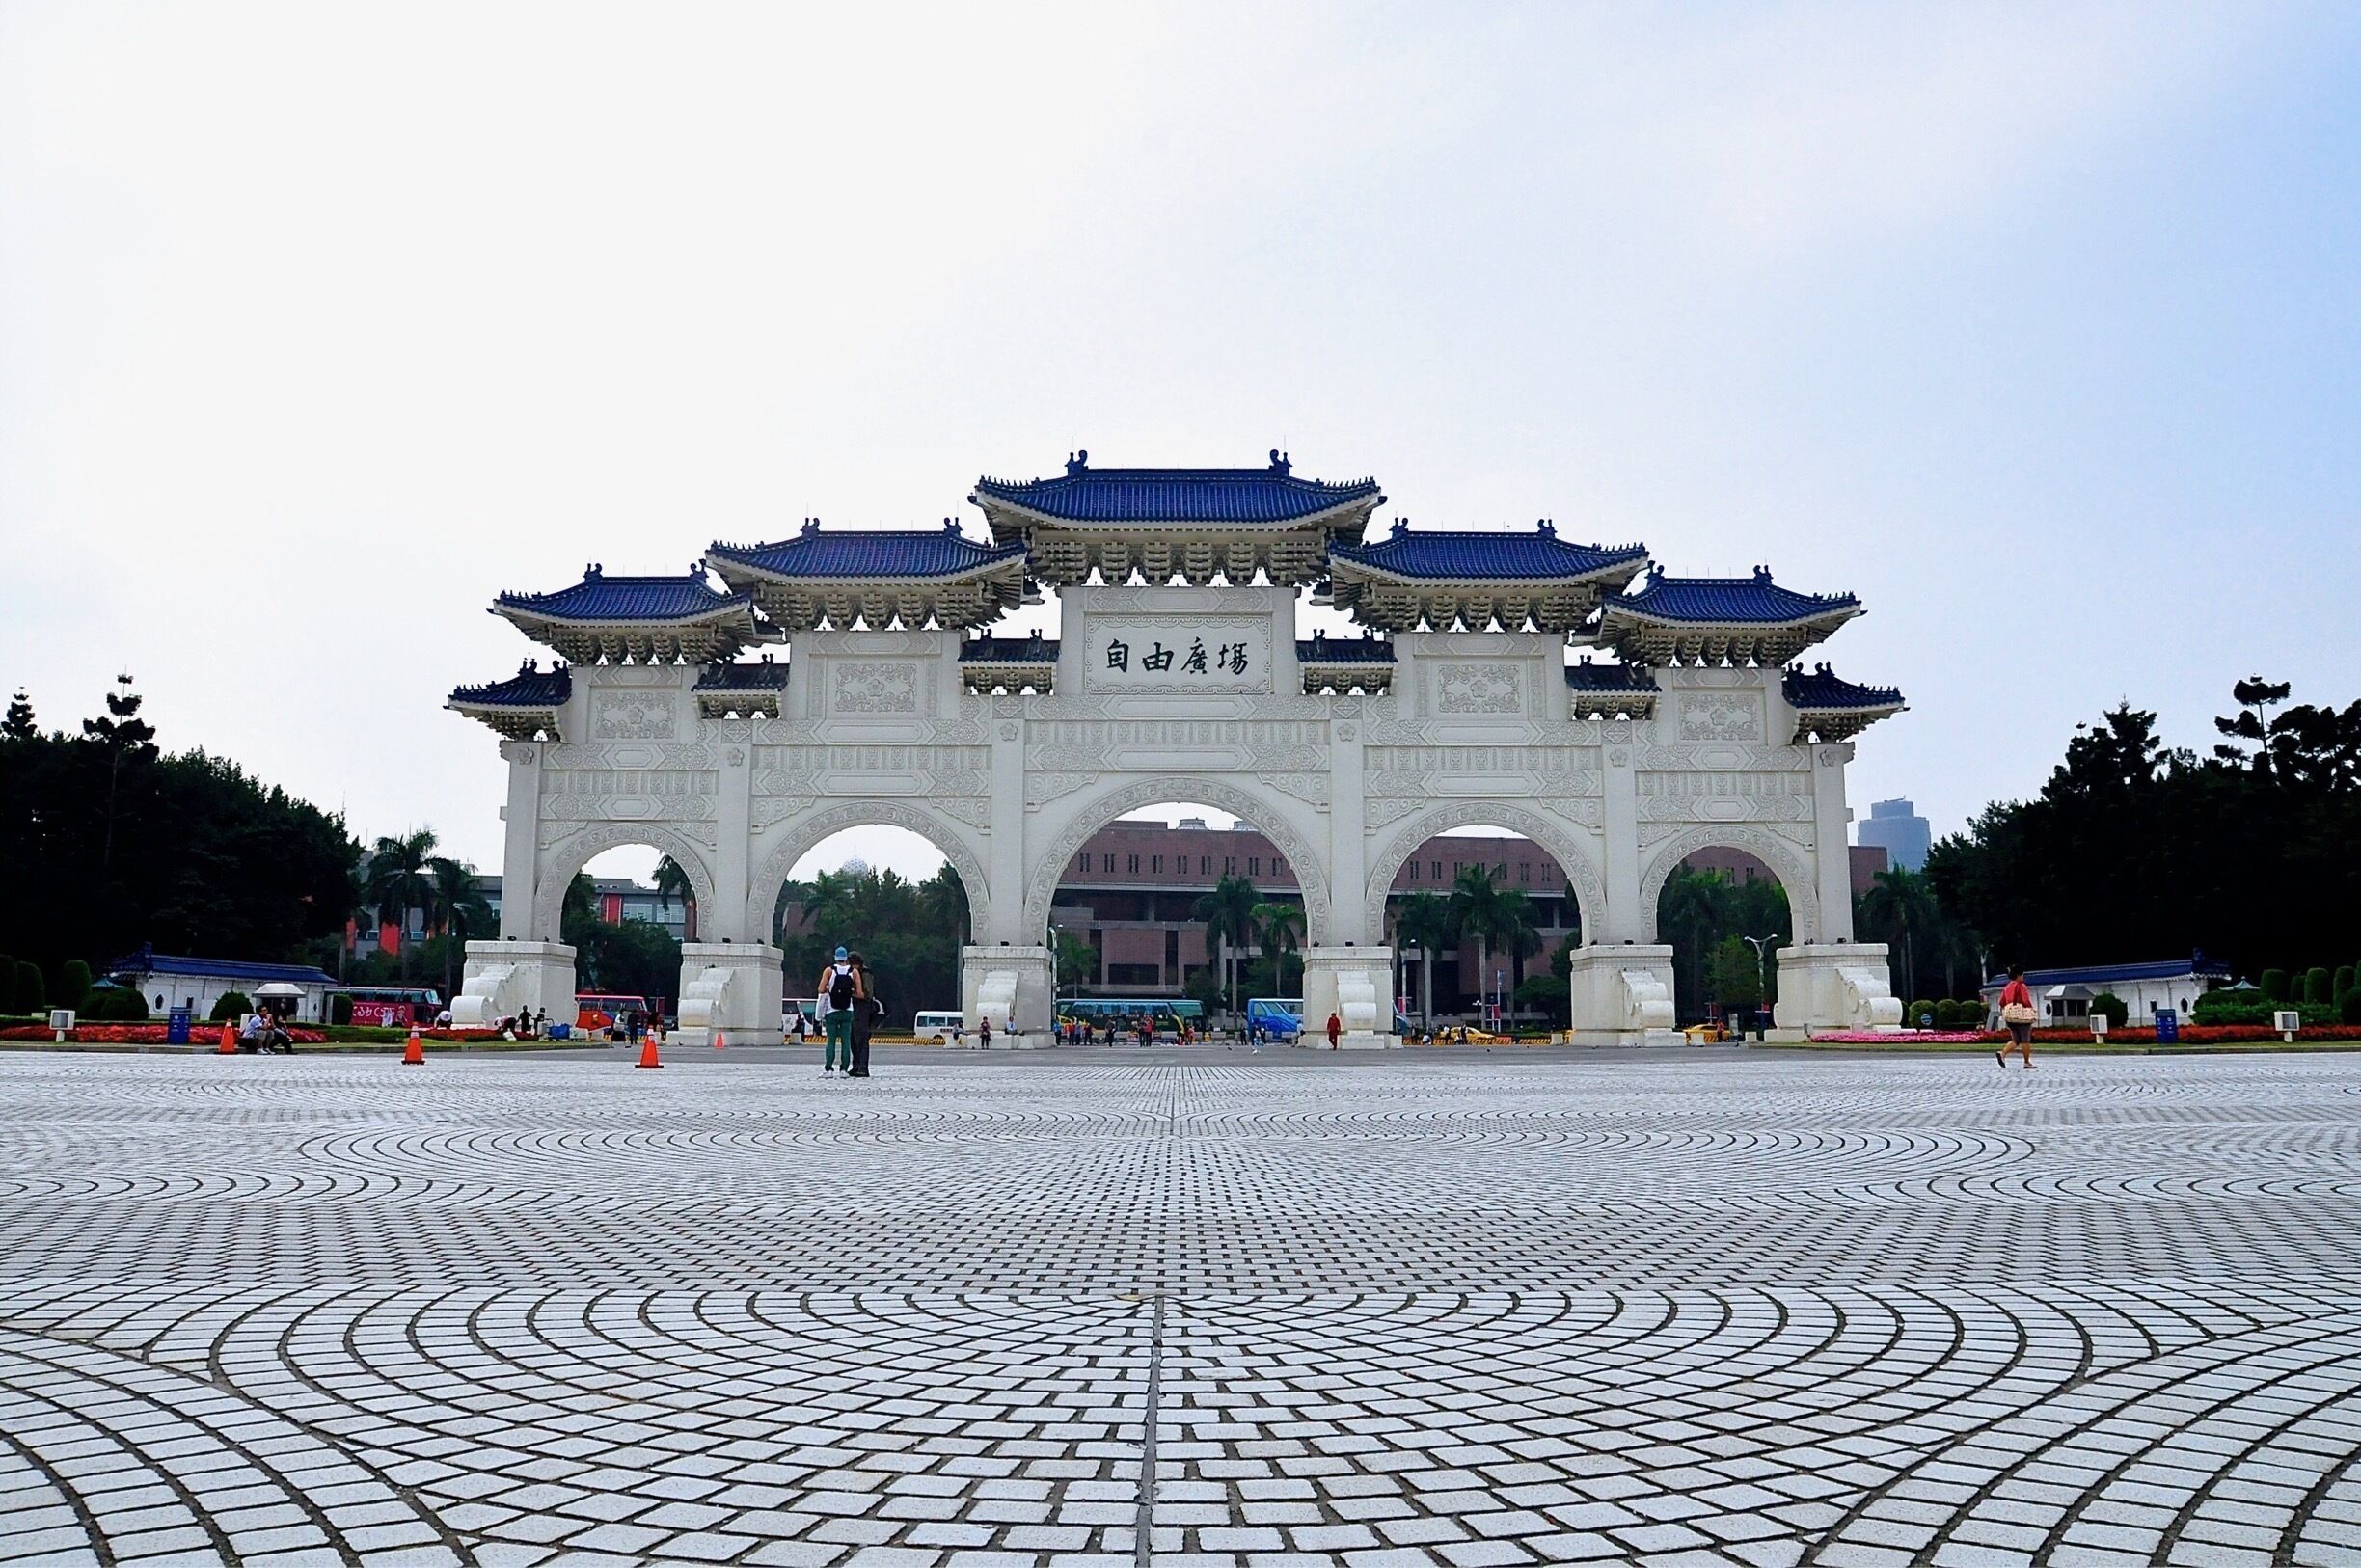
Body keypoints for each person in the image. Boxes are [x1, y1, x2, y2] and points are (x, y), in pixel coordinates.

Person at [818, 946, 859, 1076]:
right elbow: (859, 993)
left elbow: (820, 989)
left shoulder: (829, 971)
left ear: (835, 957)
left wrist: (830, 989)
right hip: (847, 1010)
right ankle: (844, 1069)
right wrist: (850, 991)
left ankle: (829, 1069)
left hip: (832, 1010)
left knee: (831, 1040)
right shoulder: (854, 972)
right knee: (846, 1041)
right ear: (846, 958)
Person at [1996, 965, 2037, 1069]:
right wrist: (2031, 1010)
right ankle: (2027, 1062)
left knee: (2016, 1040)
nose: (2023, 977)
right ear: (2018, 975)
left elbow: (2001, 1002)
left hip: (2010, 1017)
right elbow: (2025, 1000)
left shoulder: (2007, 987)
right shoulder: (2021, 986)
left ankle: (2003, 1053)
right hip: (2021, 1017)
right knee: (2025, 1040)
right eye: (2022, 975)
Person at [848, 952, 878, 1078]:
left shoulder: (865, 974)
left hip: (864, 1008)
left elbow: (868, 994)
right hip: (855, 1008)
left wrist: (853, 992)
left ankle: (863, 1067)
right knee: (853, 1039)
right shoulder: (853, 973)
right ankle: (856, 1065)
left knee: (861, 1039)